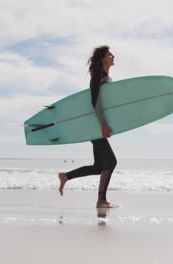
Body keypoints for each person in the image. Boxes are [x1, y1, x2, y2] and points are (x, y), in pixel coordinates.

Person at [58, 45, 118, 209]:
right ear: (102, 59)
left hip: (97, 126)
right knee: (111, 162)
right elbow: (95, 102)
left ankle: (66, 176)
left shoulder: (106, 77)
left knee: (99, 167)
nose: (113, 56)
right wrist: (103, 125)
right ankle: (101, 200)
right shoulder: (97, 76)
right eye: (109, 54)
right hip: (96, 126)